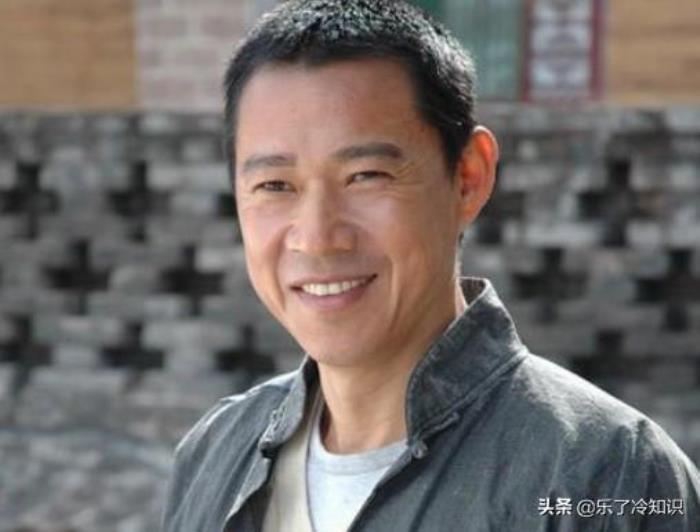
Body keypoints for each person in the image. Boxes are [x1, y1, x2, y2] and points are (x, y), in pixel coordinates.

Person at [161, 1, 700, 530]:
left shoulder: (608, 475)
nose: (318, 238)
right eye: (275, 185)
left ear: (468, 178)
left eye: (366, 176)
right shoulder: (215, 453)